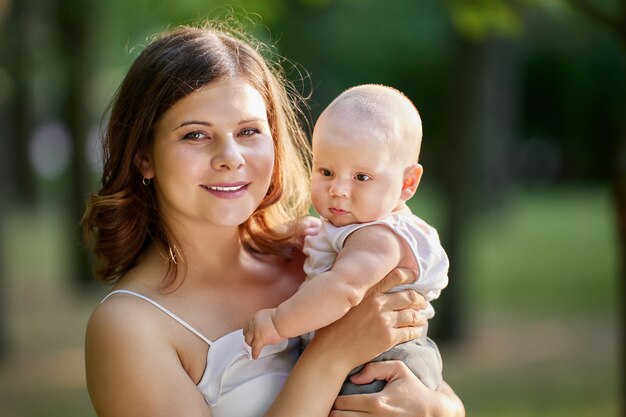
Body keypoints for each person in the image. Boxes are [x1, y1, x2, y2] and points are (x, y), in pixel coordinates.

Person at [82, 20, 465, 417]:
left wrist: (438, 409)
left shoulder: (314, 251)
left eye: (248, 131)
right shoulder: (128, 328)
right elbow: (339, 351)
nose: (231, 157)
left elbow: (433, 385)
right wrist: (330, 355)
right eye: (195, 135)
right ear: (145, 156)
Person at [244, 84, 448, 395]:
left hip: (380, 365)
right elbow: (330, 246)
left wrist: (277, 322)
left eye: (361, 177)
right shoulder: (356, 223)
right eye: (326, 171)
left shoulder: (381, 238)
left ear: (407, 184)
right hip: (355, 354)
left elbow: (343, 289)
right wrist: (306, 233)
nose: (338, 189)